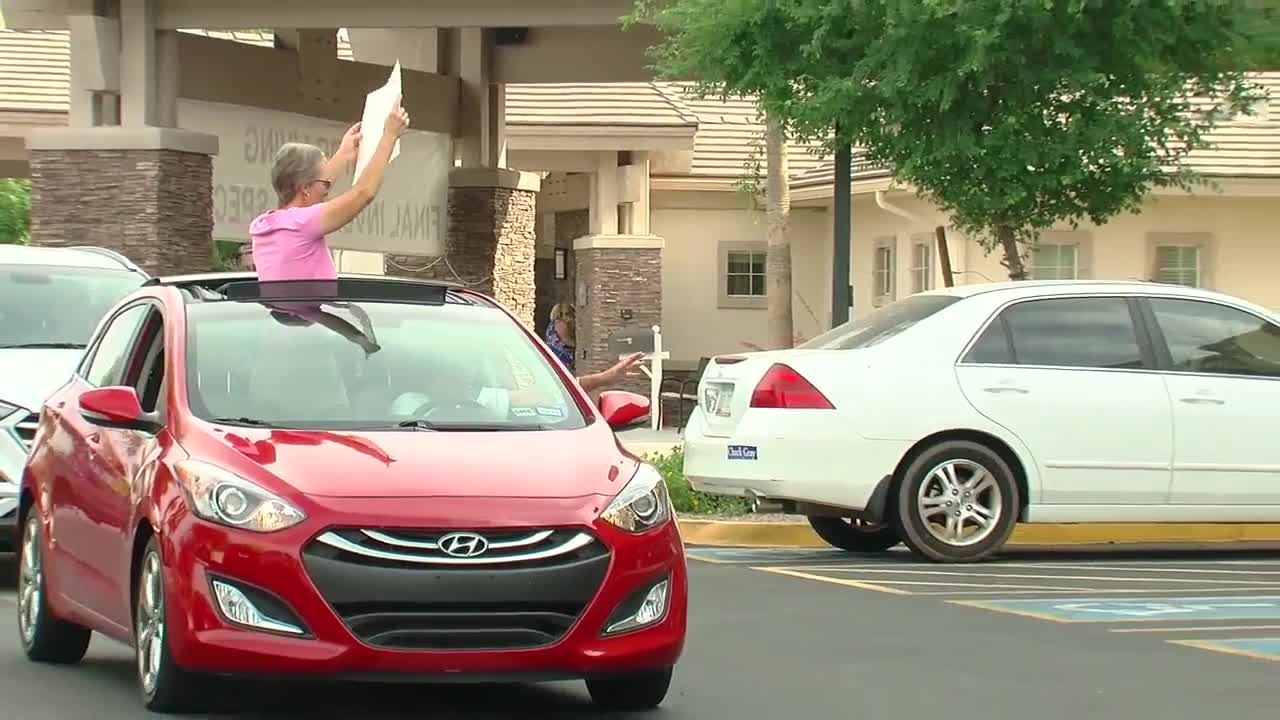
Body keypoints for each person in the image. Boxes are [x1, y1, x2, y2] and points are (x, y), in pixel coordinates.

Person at [248, 97, 411, 354]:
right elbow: (363, 193)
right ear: (304, 188)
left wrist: (345, 154)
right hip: (310, 346)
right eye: (324, 185)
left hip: (282, 342)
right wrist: (389, 137)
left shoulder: (267, 225)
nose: (328, 189)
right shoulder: (302, 224)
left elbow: (313, 188)